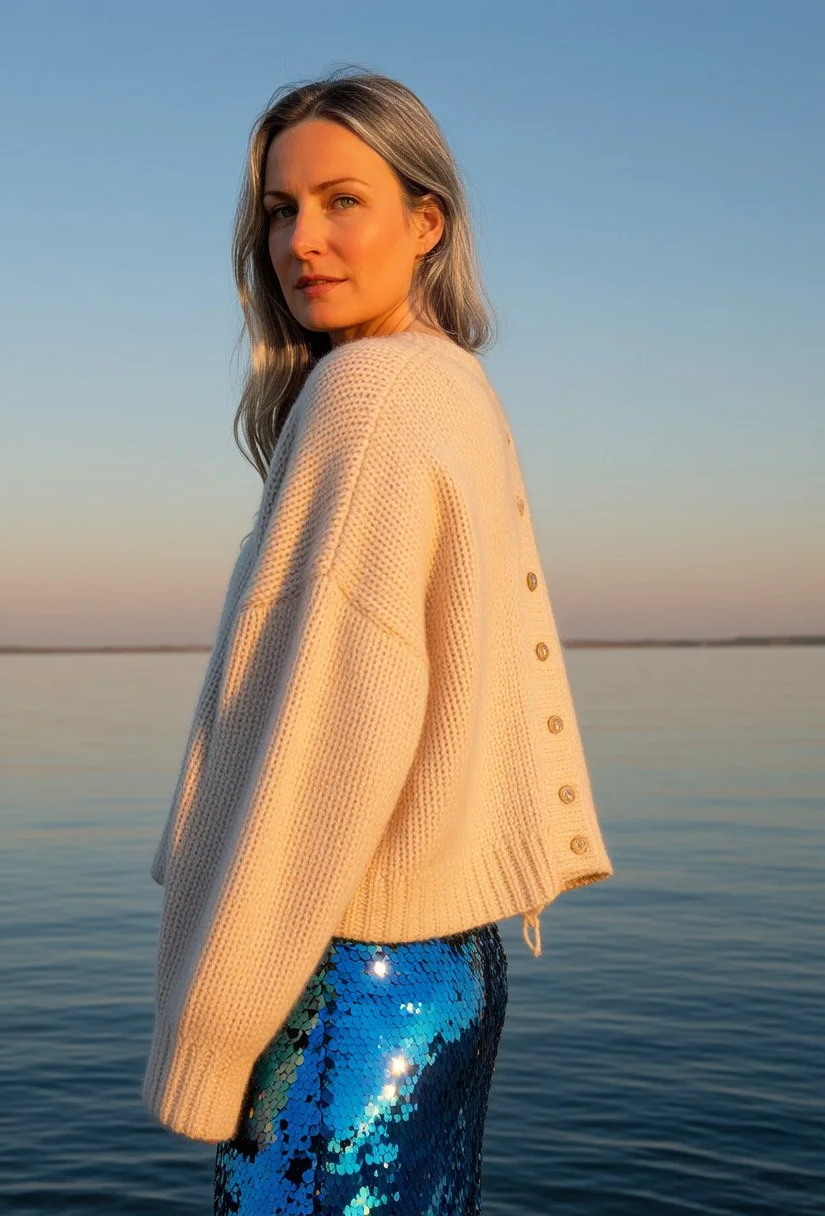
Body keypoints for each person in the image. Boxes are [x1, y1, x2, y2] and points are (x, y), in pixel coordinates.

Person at [140, 67, 615, 1213]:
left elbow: (321, 744)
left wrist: (207, 1036)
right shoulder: (450, 386)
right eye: (278, 209)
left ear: (427, 221)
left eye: (340, 201)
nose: (301, 239)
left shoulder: (369, 395)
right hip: (447, 967)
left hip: (335, 988)